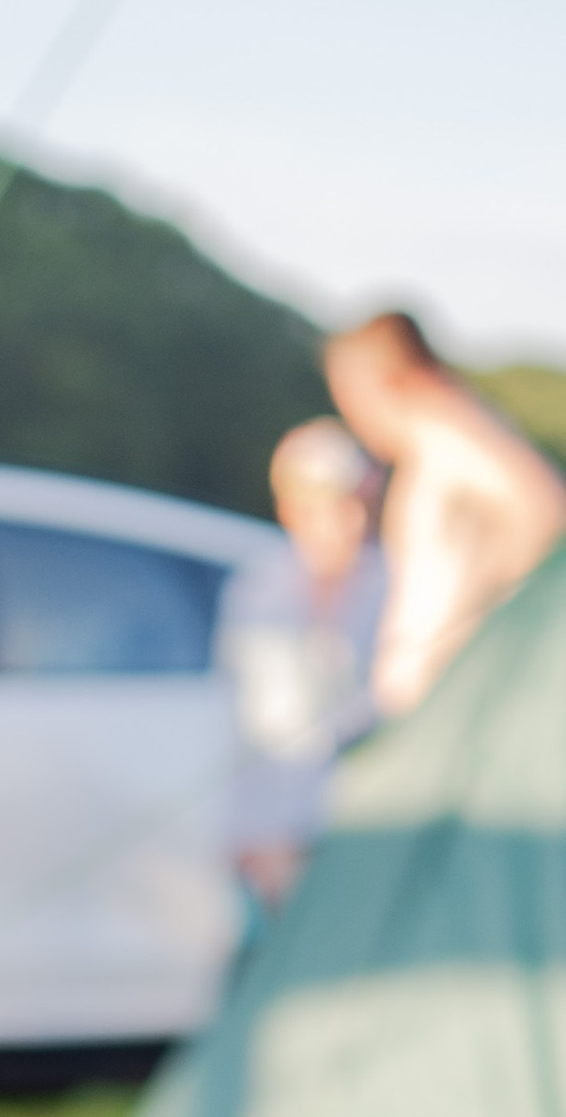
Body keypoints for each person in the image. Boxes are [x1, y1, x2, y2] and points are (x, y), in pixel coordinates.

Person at [323, 310, 566, 718]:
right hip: (439, 703)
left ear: (383, 379)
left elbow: (547, 510)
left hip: (458, 700)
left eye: (348, 394)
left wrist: (476, 618)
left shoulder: (445, 425)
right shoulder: (430, 442)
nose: (352, 415)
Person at [221, 418, 384, 908]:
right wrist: (247, 835)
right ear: (290, 508)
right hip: (279, 837)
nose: (352, 521)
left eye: (360, 502)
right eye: (333, 504)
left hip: (373, 828)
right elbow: (239, 721)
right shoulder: (257, 590)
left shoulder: (397, 584)